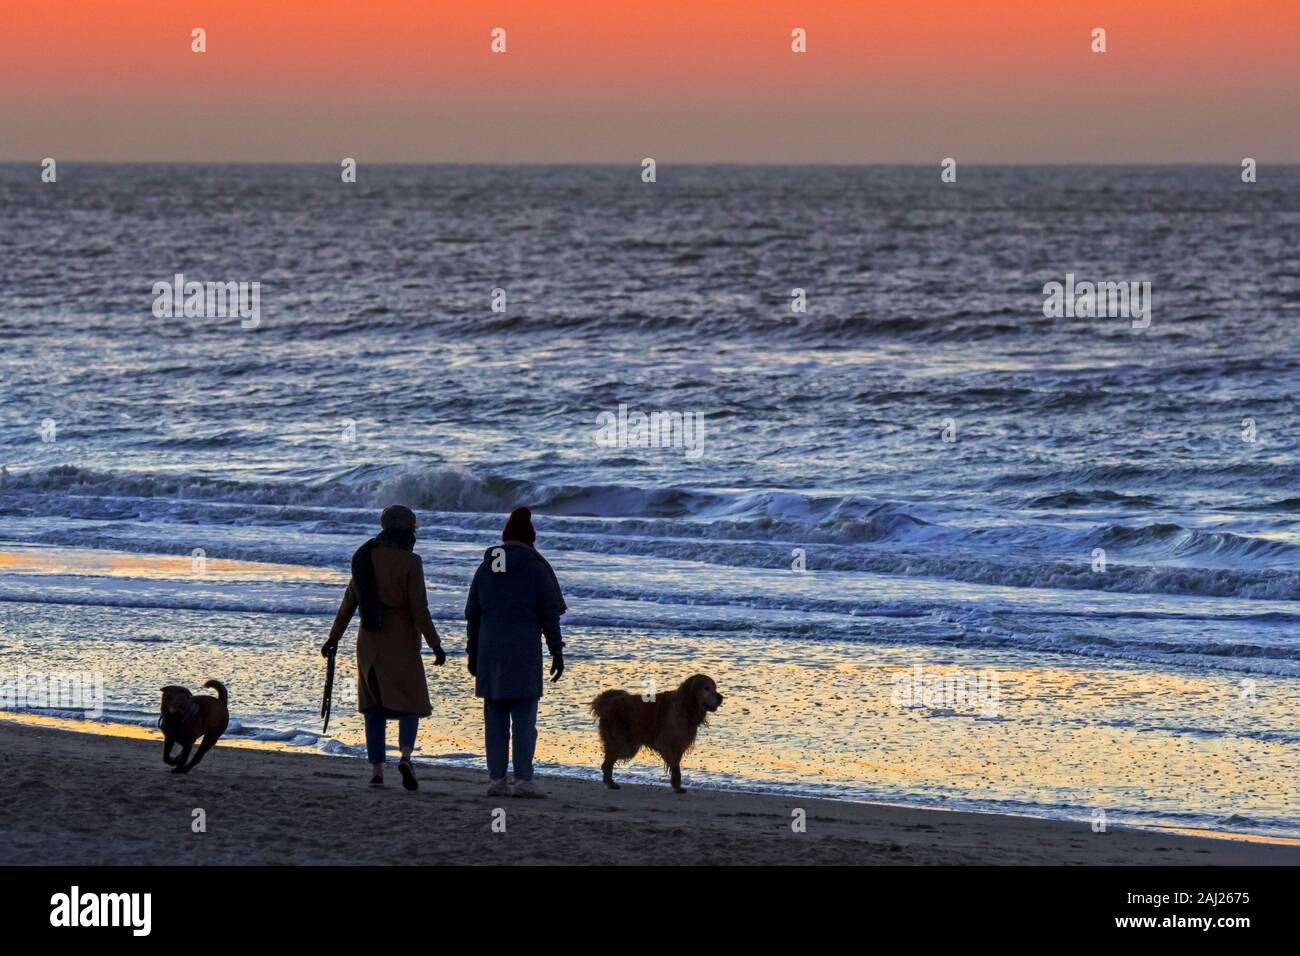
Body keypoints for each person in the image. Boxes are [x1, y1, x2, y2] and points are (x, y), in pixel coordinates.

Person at [322, 505, 446, 790]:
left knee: (373, 707)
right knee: (410, 703)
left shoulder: (366, 557)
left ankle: (377, 771)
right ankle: (405, 757)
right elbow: (419, 608)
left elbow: (349, 601)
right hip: (402, 640)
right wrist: (435, 643)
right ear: (408, 530)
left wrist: (333, 638)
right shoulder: (411, 562)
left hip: (369, 640)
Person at [464, 506, 566, 798]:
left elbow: (473, 613)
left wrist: (473, 652)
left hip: (490, 651)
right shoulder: (535, 567)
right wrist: (556, 651)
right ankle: (523, 779)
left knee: (494, 721)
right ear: (531, 539)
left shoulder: (486, 567)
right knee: (524, 720)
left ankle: (496, 779)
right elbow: (549, 614)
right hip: (523, 652)